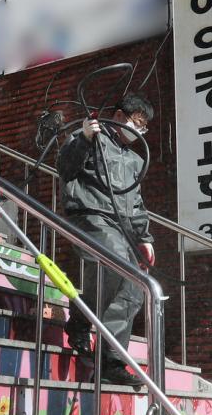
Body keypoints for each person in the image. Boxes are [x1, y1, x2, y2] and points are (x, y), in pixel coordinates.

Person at [57, 94, 155, 386]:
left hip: (121, 228)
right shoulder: (90, 136)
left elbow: (136, 203)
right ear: (119, 115)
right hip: (90, 217)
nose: (138, 131)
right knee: (114, 265)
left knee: (135, 286)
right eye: (136, 123)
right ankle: (80, 319)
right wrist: (85, 138)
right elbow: (66, 169)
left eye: (143, 127)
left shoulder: (135, 160)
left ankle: (111, 359)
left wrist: (145, 237)